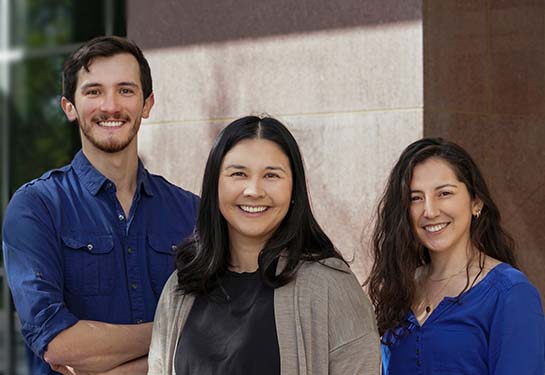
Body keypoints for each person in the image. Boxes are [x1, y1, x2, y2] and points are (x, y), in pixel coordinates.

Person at [2, 36, 199, 375]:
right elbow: (58, 343)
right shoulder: (36, 207)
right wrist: (175, 333)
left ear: (147, 104)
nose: (110, 106)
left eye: (125, 90)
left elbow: (222, 326)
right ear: (69, 107)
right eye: (93, 91)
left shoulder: (191, 212)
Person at [147, 115, 381, 374]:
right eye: (238, 174)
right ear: (215, 185)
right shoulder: (181, 288)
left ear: (294, 189)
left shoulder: (329, 287)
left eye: (271, 175)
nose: (254, 190)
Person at [366, 137, 545, 374]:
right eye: (415, 198)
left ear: (476, 202)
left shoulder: (511, 293)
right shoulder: (400, 288)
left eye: (444, 193)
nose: (429, 211)